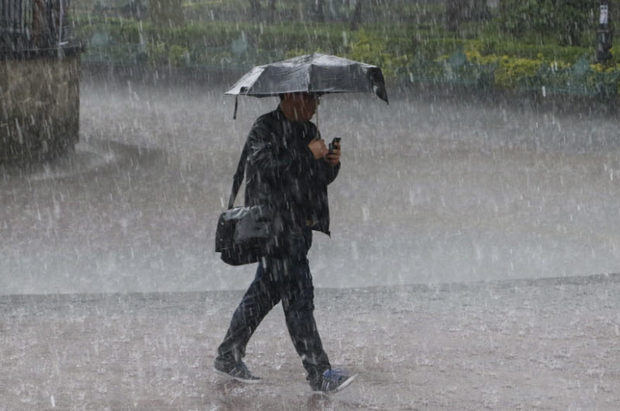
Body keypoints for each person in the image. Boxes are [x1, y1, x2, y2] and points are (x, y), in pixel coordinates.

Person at [214, 92, 355, 393]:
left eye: (317, 99)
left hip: (299, 227)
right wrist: (306, 153)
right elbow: (266, 169)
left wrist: (330, 164)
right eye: (312, 98)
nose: (317, 105)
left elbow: (315, 178)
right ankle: (319, 372)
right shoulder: (264, 128)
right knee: (299, 300)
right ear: (291, 97)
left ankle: (228, 354)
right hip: (275, 229)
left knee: (263, 295)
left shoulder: (309, 130)